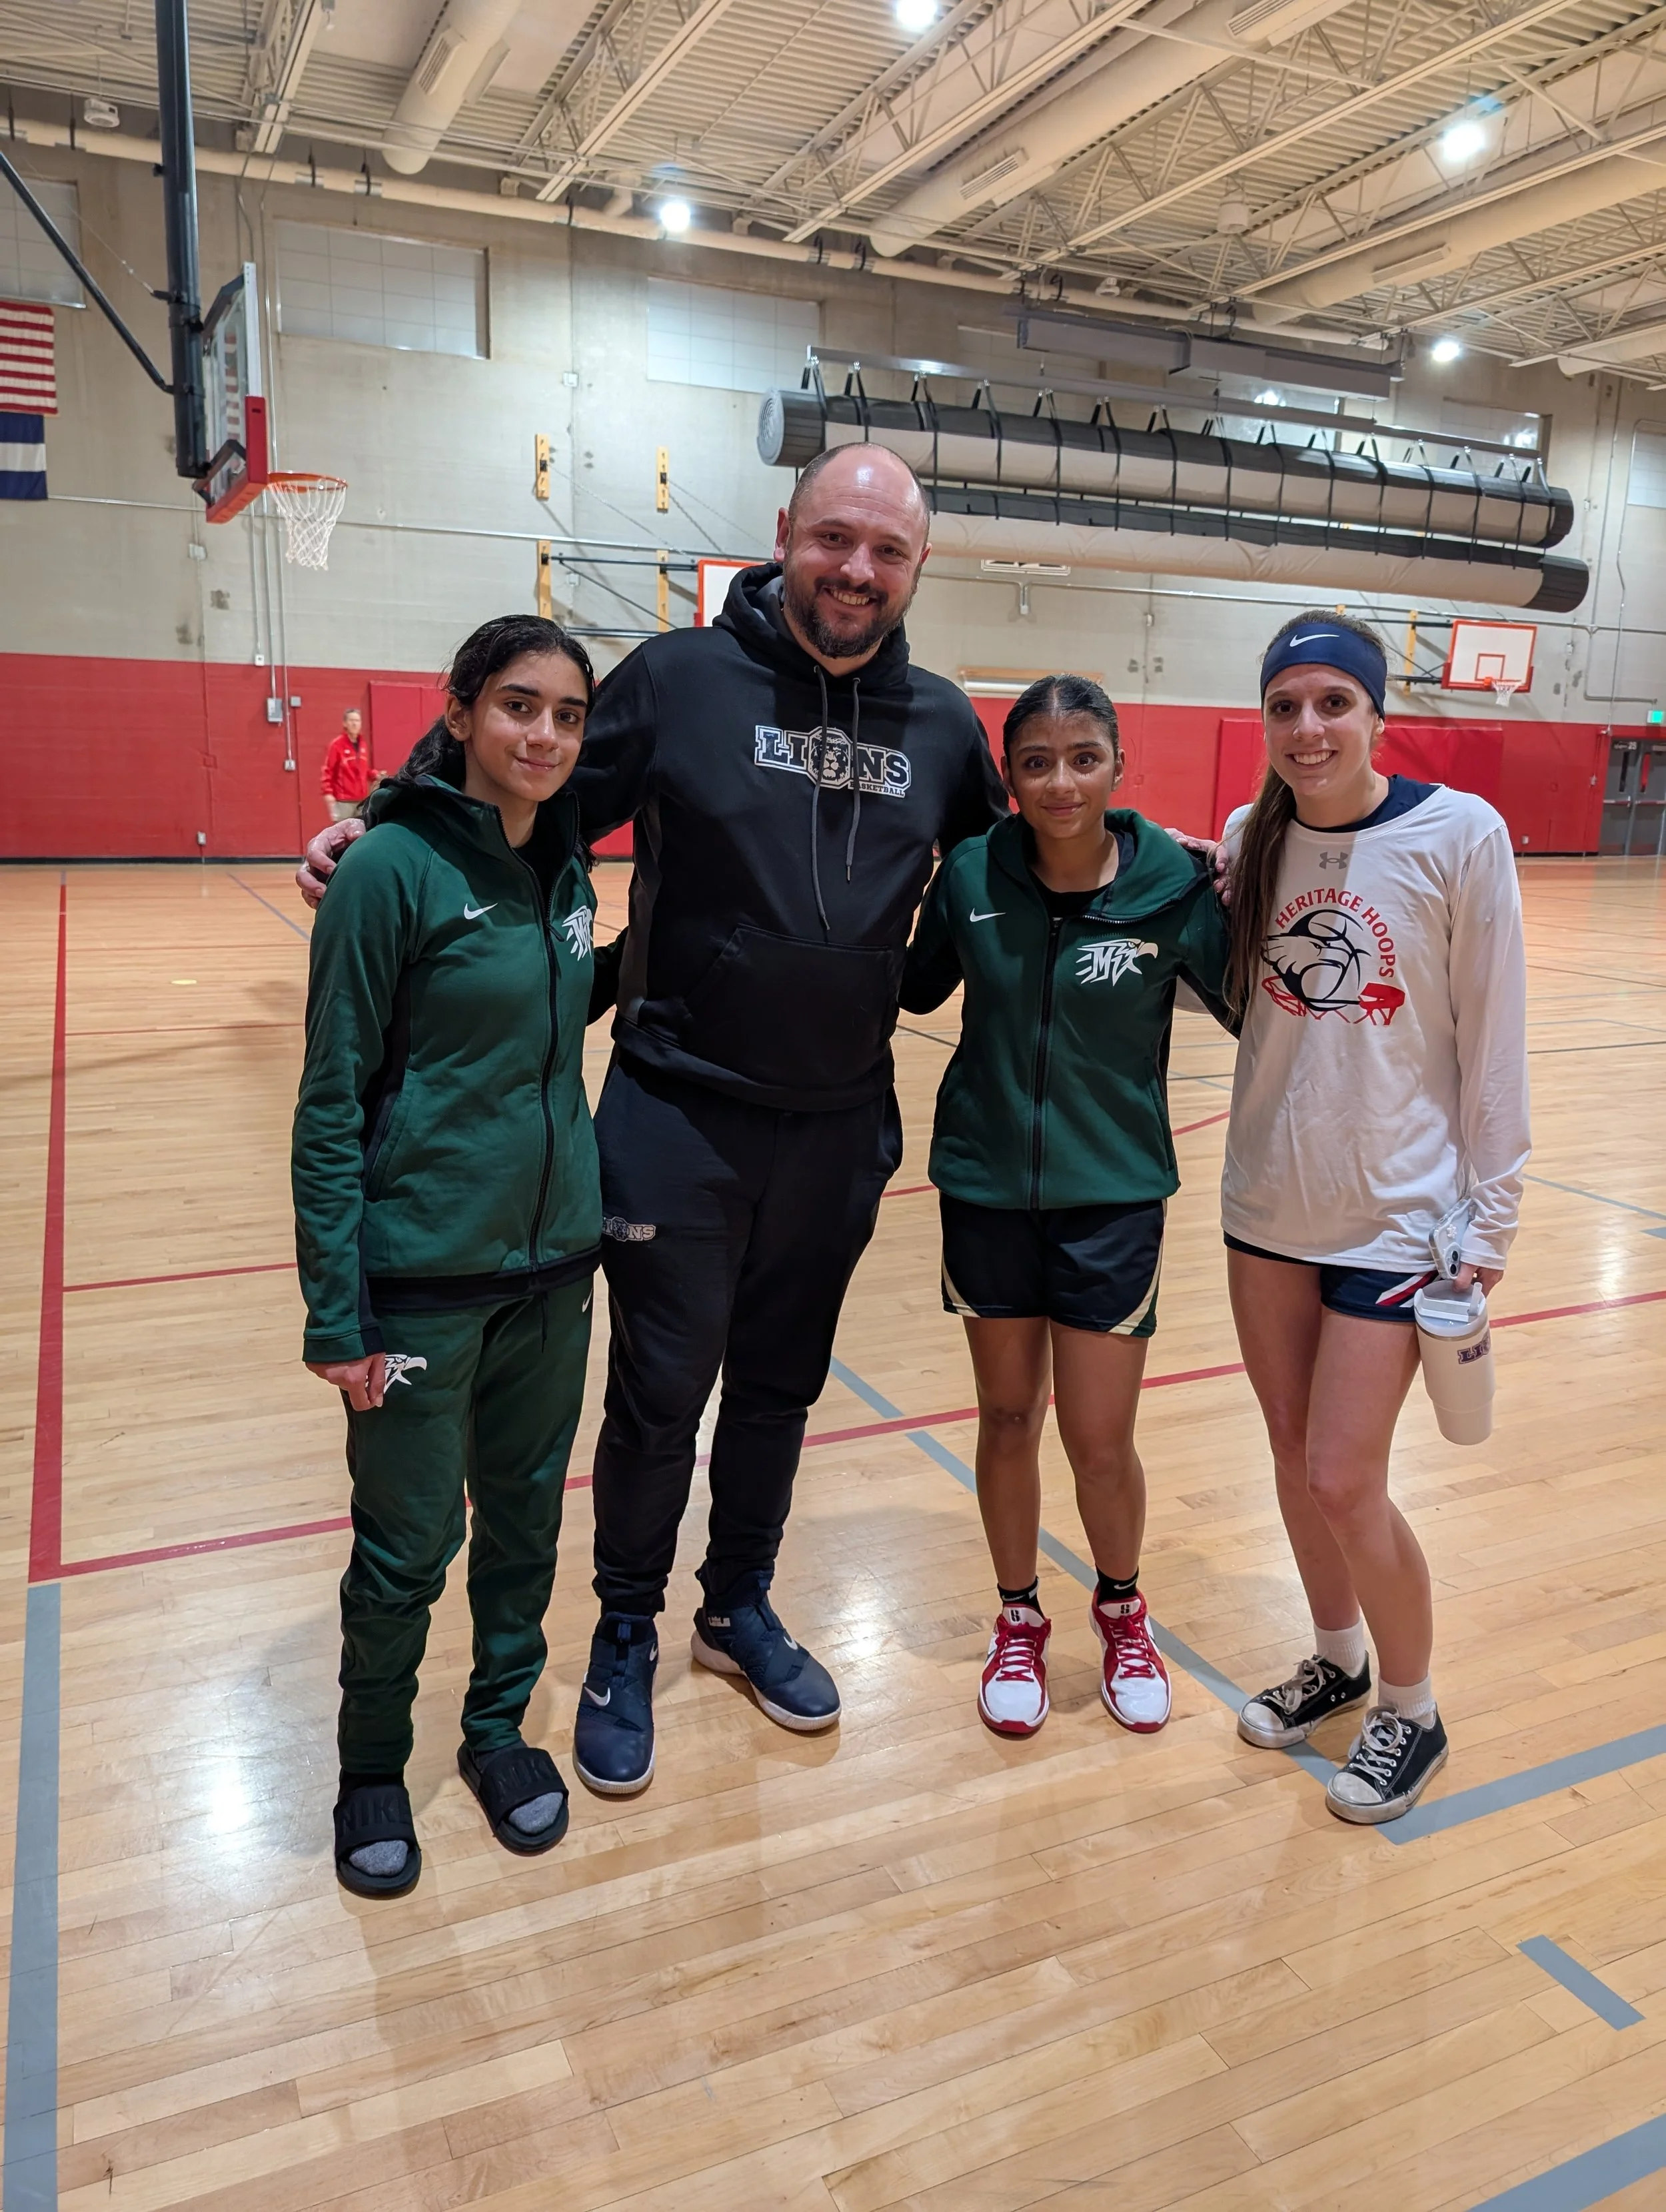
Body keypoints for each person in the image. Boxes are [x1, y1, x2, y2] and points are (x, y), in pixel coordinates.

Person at [295, 443, 1008, 1797]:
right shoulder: (680, 681)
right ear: (785, 534)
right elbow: (519, 776)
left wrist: (1190, 860)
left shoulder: (940, 725)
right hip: (676, 1119)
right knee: (657, 1399)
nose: (855, 570)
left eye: (888, 552)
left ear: (917, 569)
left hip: (840, 1127)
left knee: (780, 1395)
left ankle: (735, 1602)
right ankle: (624, 1629)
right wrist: (378, 820)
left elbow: (1020, 859)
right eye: (834, 538)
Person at [293, 615, 605, 1896]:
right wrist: (337, 1314)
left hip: (555, 1273)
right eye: (520, 707)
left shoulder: (567, 861)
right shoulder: (390, 871)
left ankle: (494, 1734)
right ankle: (373, 1763)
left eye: (569, 716)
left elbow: (551, 1016)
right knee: (408, 1545)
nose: (544, 735)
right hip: (421, 1279)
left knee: (527, 1525)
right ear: (465, 711)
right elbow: (330, 1101)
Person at [1220, 612, 1528, 1824]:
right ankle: (1337, 1661)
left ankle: (1412, 1706)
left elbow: (1494, 1040)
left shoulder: (1461, 834)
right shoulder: (1254, 838)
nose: (1309, 729)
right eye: (1286, 706)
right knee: (1297, 1466)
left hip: (1399, 1216)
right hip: (1266, 1204)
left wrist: (1488, 1222)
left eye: (1332, 704)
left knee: (1346, 1477)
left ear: (1374, 713)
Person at [901, 676, 1232, 1738]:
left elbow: (1259, 1007)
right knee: (1005, 1418)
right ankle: (1018, 1620)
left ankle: (1124, 1611)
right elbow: (910, 987)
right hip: (988, 1189)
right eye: (1036, 762)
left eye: (1084, 757)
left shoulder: (1174, 882)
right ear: (1011, 774)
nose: (1060, 781)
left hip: (1114, 1196)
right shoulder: (971, 876)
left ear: (1118, 766)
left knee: (1099, 1437)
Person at [321, 707, 375, 822]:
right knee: (344, 834)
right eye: (351, 720)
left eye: (357, 721)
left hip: (361, 800)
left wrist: (374, 774)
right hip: (343, 801)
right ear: (345, 723)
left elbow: (363, 770)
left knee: (361, 831)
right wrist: (328, 793)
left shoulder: (363, 745)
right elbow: (328, 770)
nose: (355, 724)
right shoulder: (336, 745)